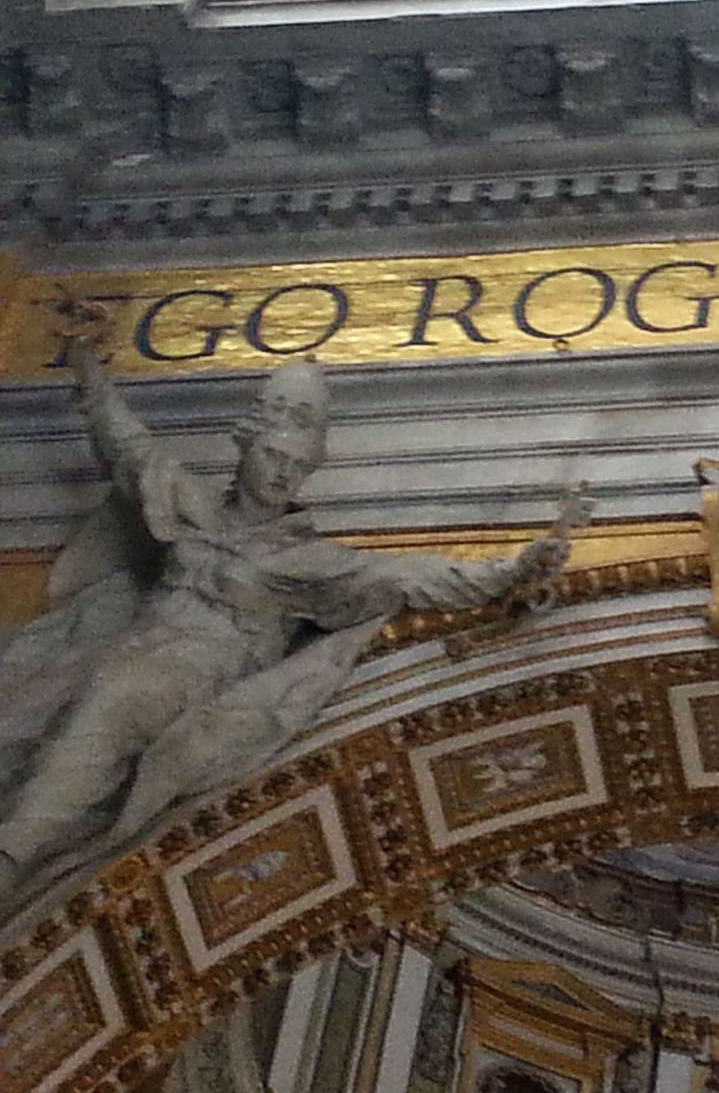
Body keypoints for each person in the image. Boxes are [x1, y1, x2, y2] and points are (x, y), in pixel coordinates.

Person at [0, 342, 572, 904]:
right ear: (246, 450)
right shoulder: (188, 504)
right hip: (117, 652)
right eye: (275, 457)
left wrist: (509, 570)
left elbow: (413, 576)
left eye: (298, 467)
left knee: (112, 703)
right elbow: (127, 445)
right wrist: (84, 366)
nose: (284, 475)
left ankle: (12, 856)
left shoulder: (310, 562)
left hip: (182, 682)